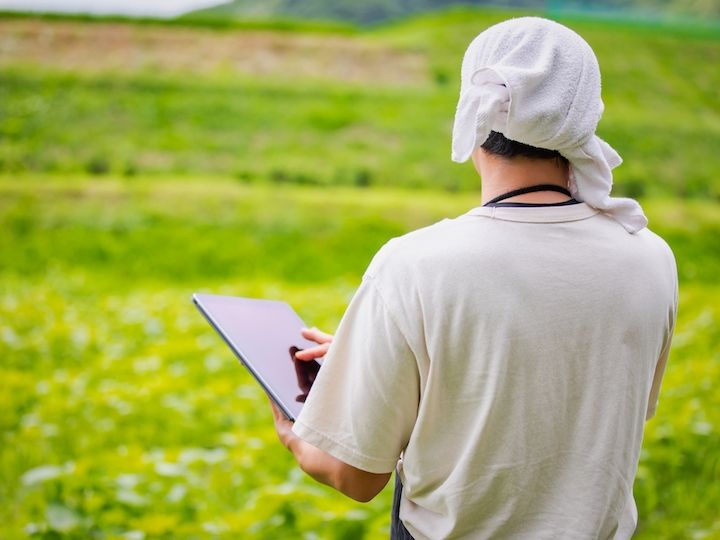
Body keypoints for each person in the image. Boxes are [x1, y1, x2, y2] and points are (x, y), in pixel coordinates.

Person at [269, 17, 678, 539]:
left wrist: (295, 432)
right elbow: (585, 405)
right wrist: (383, 367)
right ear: (584, 116)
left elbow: (354, 474)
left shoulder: (415, 266)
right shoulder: (650, 256)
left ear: (471, 110)